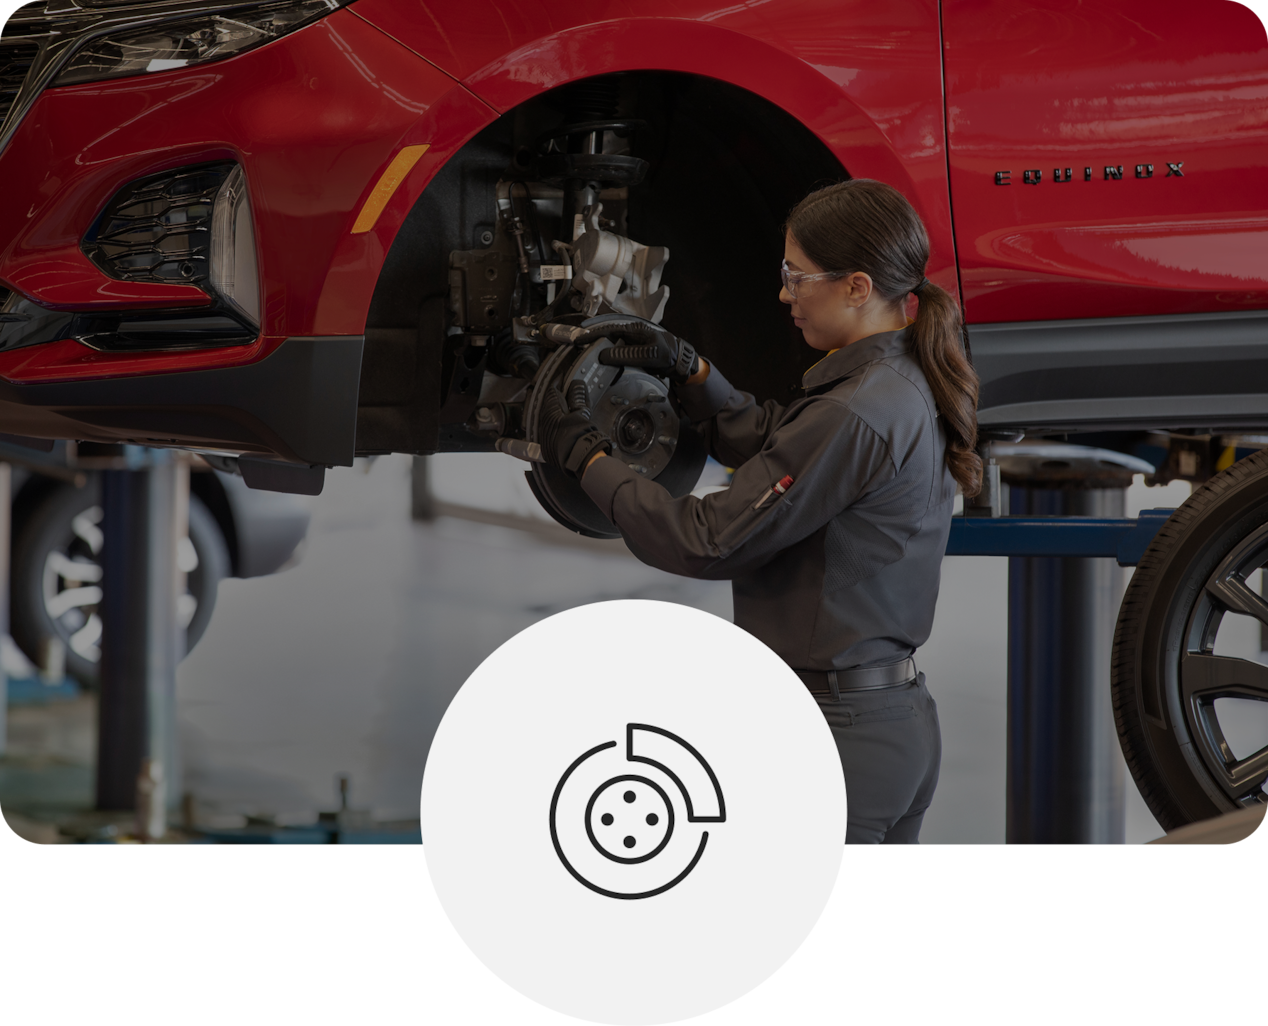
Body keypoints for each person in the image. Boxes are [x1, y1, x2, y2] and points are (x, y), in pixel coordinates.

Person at [537, 178, 981, 844]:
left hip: (835, 740)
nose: (784, 295)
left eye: (797, 278)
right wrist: (694, 375)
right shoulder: (901, 378)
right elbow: (790, 452)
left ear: (857, 287)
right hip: (892, 723)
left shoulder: (854, 412)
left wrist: (590, 462)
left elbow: (706, 539)